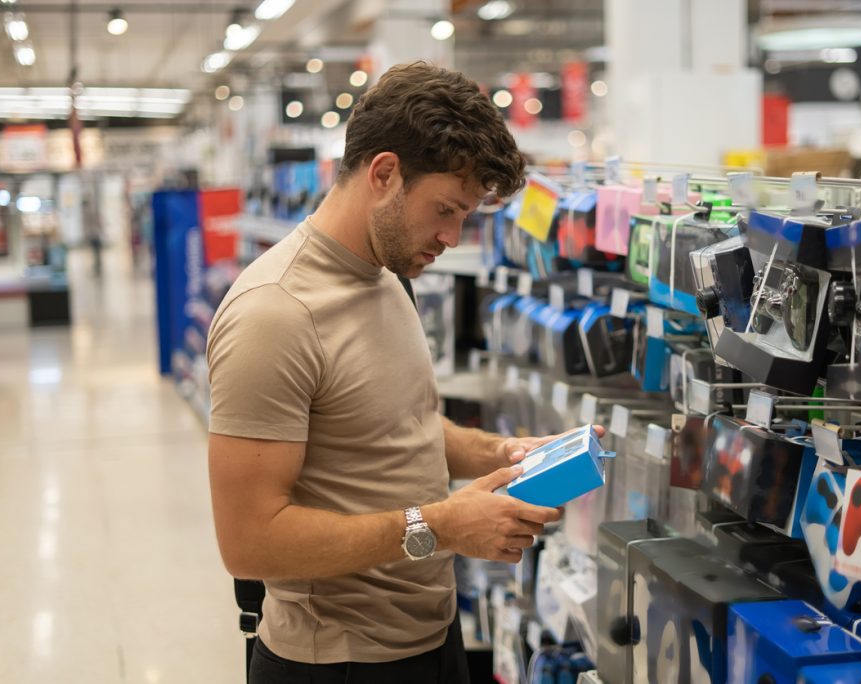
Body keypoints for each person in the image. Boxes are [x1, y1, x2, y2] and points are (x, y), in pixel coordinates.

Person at [207, 61, 591, 684]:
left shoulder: (388, 277)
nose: (451, 236)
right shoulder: (276, 314)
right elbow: (249, 541)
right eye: (444, 208)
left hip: (429, 643)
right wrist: (439, 526)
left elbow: (400, 426)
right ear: (383, 174)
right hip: (336, 664)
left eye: (464, 215)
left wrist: (504, 451)